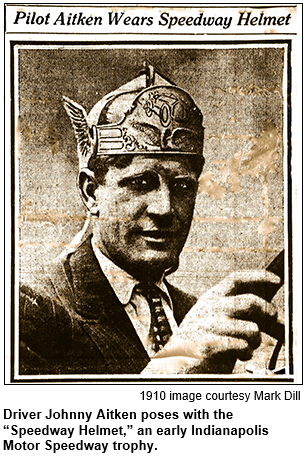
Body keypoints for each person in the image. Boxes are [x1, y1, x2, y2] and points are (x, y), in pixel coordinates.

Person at [19, 65, 284, 376]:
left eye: (183, 186)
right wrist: (180, 360)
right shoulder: (29, 309)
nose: (165, 208)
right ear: (91, 192)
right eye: (141, 183)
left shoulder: (194, 313)